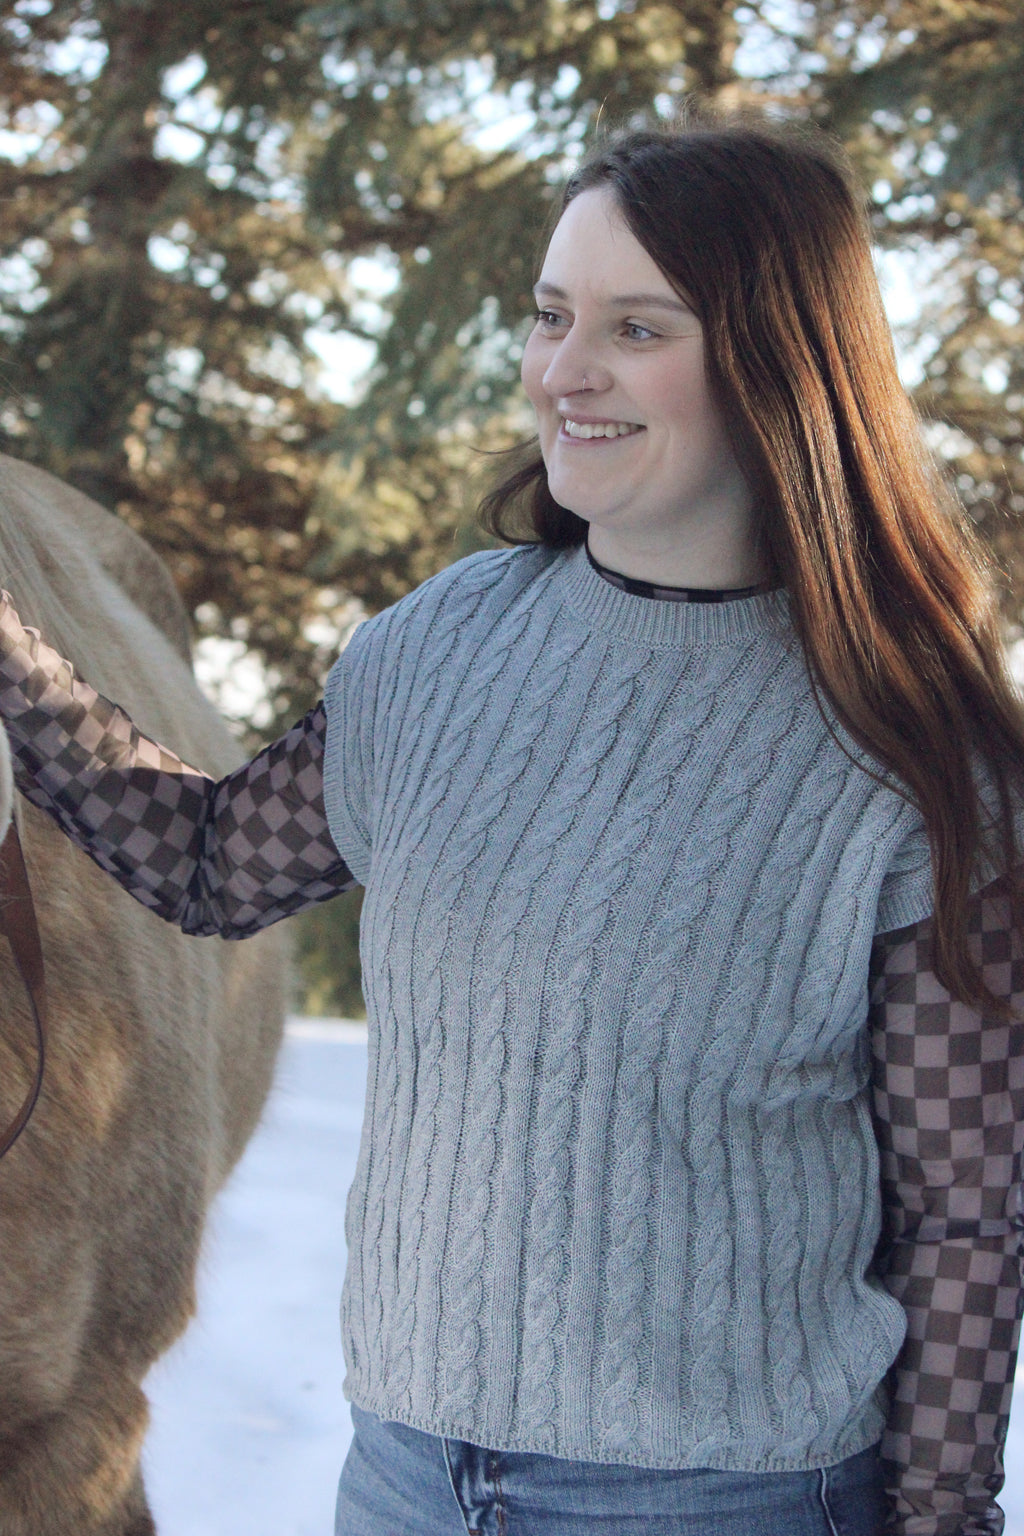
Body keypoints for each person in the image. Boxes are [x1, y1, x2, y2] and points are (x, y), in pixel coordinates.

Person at [0, 106, 1021, 1536]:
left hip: (722, 1502)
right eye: (551, 316)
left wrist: (943, 1511)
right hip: (409, 1480)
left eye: (635, 329)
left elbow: (964, 1213)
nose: (563, 370)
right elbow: (211, 862)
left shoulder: (912, 751)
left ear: (779, 361)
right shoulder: (439, 648)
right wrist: (16, 646)